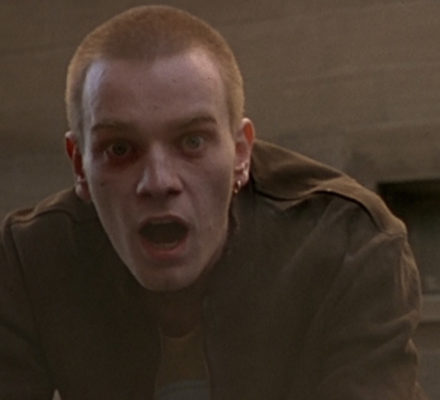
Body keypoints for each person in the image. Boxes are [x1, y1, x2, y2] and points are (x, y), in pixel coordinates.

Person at [0, 5, 426, 400]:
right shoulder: (28, 259)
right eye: (120, 150)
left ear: (241, 152)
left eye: (192, 142)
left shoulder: (348, 242)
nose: (159, 182)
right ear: (79, 165)